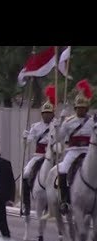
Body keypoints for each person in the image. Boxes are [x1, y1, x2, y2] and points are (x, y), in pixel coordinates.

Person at [55, 79, 93, 215]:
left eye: (83, 108)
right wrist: (60, 122)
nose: (81, 110)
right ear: (75, 108)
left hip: (88, 151)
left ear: (87, 109)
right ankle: (65, 201)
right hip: (73, 151)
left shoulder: (92, 121)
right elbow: (58, 137)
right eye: (78, 108)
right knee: (63, 170)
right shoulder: (69, 122)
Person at [21, 85, 56, 215]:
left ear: (53, 113)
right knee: (26, 173)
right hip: (38, 155)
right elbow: (29, 140)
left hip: (53, 156)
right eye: (45, 113)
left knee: (64, 174)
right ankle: (27, 204)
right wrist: (25, 137)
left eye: (49, 113)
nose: (47, 115)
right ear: (42, 114)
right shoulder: (36, 126)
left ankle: (65, 201)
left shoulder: (56, 124)